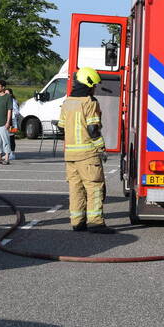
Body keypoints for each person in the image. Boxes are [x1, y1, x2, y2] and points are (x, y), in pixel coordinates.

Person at [57, 67, 114, 234]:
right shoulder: (90, 102)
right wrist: (101, 146)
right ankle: (96, 222)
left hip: (70, 155)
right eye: (94, 85)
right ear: (88, 84)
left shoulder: (67, 102)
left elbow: (61, 128)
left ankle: (77, 222)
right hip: (88, 155)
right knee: (94, 187)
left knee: (76, 189)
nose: (95, 88)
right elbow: (92, 129)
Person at [0, 80, 14, 165]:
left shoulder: (8, 97)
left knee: (5, 140)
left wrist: (8, 122)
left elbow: (9, 110)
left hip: (3, 123)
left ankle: (7, 158)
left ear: (3, 87)